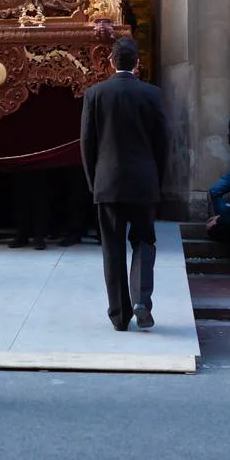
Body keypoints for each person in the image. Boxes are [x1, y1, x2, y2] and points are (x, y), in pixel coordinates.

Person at [80, 36, 168, 333]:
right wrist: (158, 181)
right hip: (143, 182)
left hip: (107, 182)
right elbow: (163, 144)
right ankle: (141, 299)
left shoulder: (95, 94)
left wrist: (94, 183)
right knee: (144, 241)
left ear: (110, 62)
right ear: (138, 64)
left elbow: (87, 145)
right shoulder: (152, 95)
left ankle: (119, 315)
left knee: (112, 248)